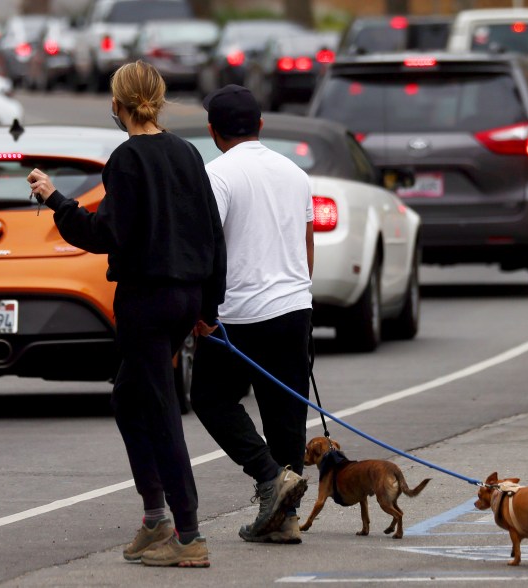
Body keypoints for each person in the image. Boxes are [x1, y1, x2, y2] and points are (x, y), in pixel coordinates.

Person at [27, 61, 226, 567]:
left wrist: (55, 201)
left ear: (118, 106)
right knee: (128, 399)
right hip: (185, 297)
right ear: (156, 100)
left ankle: (188, 534)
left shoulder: (127, 158)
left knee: (159, 412)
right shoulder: (187, 153)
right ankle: (156, 516)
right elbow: (212, 232)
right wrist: (209, 306)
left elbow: (104, 234)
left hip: (146, 300)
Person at [190, 84, 312, 545]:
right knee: (286, 415)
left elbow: (209, 245)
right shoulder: (295, 173)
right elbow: (306, 243)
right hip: (293, 307)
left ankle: (267, 477)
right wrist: (302, 296)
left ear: (213, 131)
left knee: (210, 397)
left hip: (236, 313)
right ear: (261, 125)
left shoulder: (216, 174)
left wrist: (202, 309)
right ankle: (286, 518)